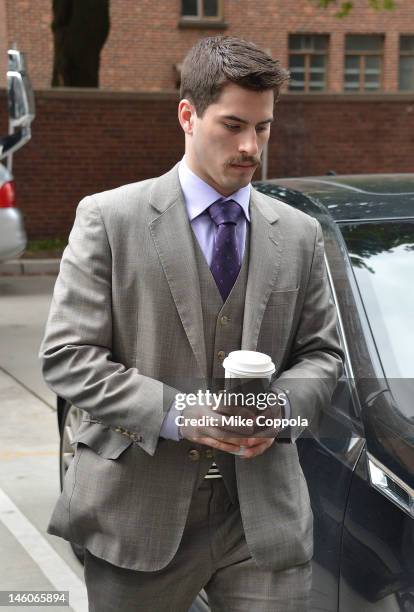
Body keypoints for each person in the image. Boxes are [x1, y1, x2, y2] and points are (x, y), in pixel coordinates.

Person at [39, 36, 343, 612]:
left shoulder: (298, 234)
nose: (251, 146)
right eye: (233, 125)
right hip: (138, 516)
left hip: (263, 521)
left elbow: (323, 354)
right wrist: (179, 414)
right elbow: (68, 357)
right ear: (187, 114)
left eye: (264, 128)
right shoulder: (110, 218)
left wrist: (278, 413)